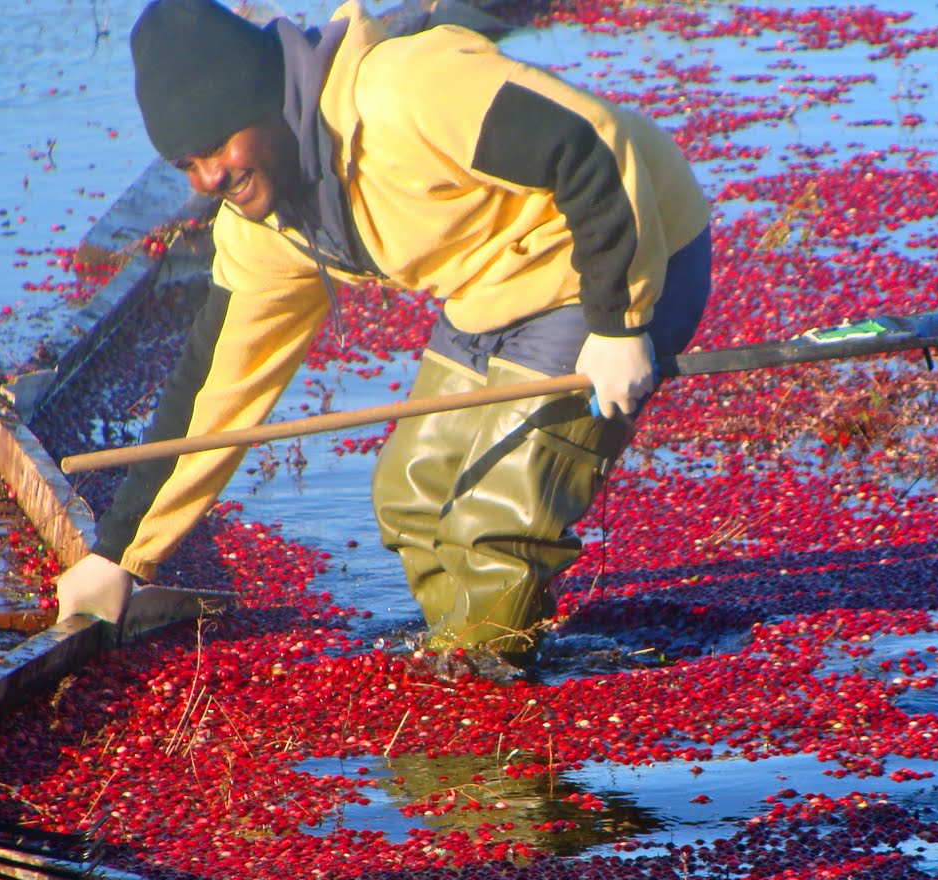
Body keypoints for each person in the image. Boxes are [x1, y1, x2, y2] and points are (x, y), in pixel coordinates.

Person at [53, 0, 712, 667]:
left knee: (494, 528)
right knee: (411, 496)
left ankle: (486, 710)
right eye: (187, 165)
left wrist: (621, 322)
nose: (210, 178)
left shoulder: (406, 93)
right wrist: (119, 558)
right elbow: (211, 392)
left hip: (622, 253)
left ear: (267, 104)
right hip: (490, 286)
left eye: (219, 144)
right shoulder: (263, 227)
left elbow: (587, 142)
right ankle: (482, 657)